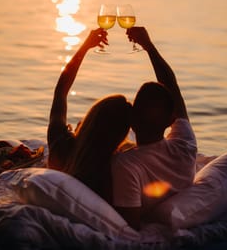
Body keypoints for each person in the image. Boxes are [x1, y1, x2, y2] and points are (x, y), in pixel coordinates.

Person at [111, 26, 197, 230]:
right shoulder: (185, 147)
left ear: (131, 120)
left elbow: (129, 224)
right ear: (171, 120)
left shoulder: (126, 165)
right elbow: (172, 87)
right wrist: (148, 46)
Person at [47, 28, 132, 202]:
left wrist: (85, 46)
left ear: (90, 118)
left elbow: (61, 92)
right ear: (121, 134)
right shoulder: (117, 170)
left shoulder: (61, 144)